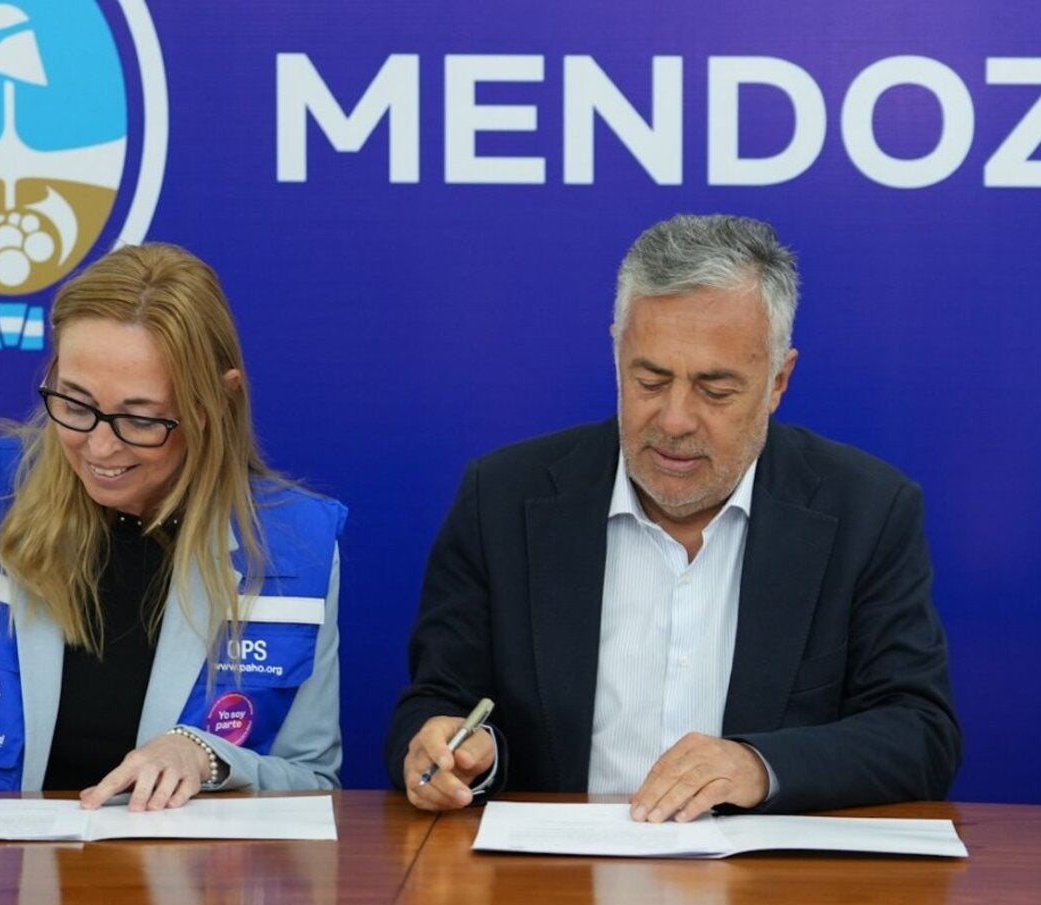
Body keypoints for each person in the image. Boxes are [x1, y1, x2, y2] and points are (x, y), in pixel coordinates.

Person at [386, 214, 960, 820]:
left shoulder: (865, 510)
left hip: (771, 894)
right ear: (617, 354)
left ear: (778, 382)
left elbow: (920, 733)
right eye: (650, 380)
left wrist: (759, 767)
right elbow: (437, 702)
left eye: (715, 390)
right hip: (551, 888)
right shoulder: (502, 498)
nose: (676, 420)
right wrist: (456, 752)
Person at [0, 243, 346, 811]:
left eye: (139, 418)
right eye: (76, 404)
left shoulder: (295, 545)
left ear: (217, 404)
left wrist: (208, 758)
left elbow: (311, 779)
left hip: (186, 890)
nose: (99, 447)